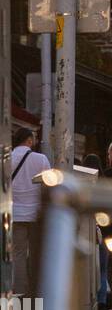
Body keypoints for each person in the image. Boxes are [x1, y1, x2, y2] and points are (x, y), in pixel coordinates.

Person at [11, 127, 50, 298]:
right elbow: (49, 186)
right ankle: (36, 291)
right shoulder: (41, 159)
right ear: (28, 140)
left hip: (14, 214)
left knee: (18, 254)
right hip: (36, 215)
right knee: (36, 253)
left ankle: (19, 291)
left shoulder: (5, 159)